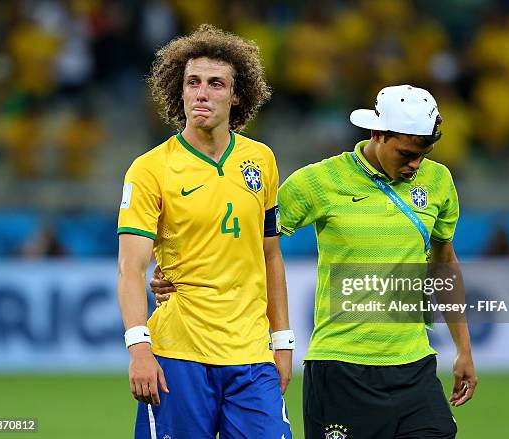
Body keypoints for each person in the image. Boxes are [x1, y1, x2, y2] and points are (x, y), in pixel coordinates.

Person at [152, 84, 477, 439]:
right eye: (406, 153)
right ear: (377, 134)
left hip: (415, 366)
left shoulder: (438, 181)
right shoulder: (319, 182)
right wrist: (183, 267)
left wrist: (464, 348)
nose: (416, 164)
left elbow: (444, 264)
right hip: (340, 368)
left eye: (424, 153)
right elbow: (250, 238)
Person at [117, 24, 293, 439]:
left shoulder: (261, 161)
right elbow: (130, 267)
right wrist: (139, 347)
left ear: (237, 95)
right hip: (178, 352)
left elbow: (270, 255)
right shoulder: (150, 169)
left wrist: (281, 342)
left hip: (250, 353)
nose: (202, 93)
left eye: (216, 84)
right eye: (192, 82)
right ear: (178, 91)